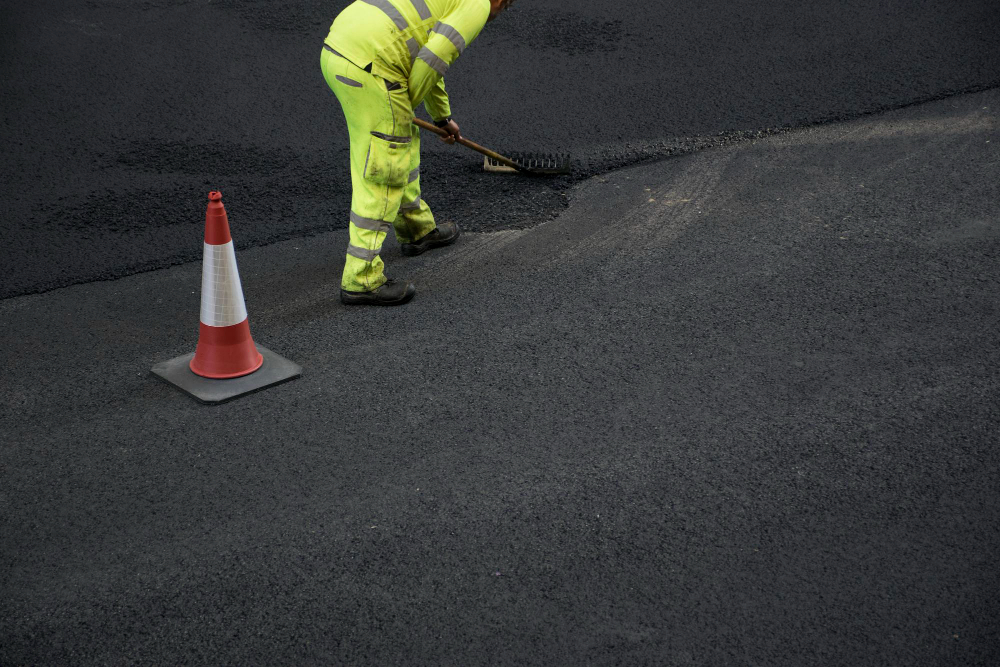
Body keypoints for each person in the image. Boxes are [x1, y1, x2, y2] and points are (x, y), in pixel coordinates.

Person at [321, 0, 517, 306]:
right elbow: (433, 59)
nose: (498, 14)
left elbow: (427, 57)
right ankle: (361, 278)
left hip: (341, 48)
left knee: (402, 140)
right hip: (374, 62)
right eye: (504, 8)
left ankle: (416, 229)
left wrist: (441, 117)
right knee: (386, 166)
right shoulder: (477, 4)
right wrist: (403, 106)